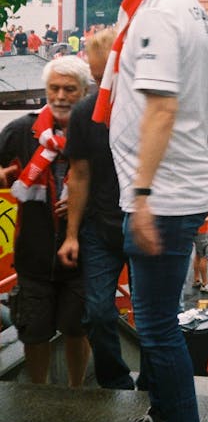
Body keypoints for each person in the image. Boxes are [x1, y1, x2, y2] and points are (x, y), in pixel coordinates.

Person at [101, 0, 208, 422]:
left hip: (163, 194)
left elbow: (162, 110)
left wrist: (141, 196)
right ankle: (167, 421)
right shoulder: (189, 7)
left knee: (156, 329)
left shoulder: (157, 14)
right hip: (176, 188)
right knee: (158, 322)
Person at [0, 55, 92, 386]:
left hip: (81, 254)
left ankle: (76, 391)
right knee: (33, 334)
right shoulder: (21, 130)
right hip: (33, 254)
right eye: (54, 88)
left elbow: (114, 185)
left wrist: (86, 202)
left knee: (76, 329)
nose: (61, 96)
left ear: (84, 91)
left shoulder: (95, 132)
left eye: (70, 89)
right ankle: (37, 395)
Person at [57, 28, 137, 389]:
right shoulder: (86, 112)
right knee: (99, 312)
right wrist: (72, 235)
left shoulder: (144, 109)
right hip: (99, 227)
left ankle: (151, 385)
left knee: (152, 317)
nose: (99, 81)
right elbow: (79, 175)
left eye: (105, 74)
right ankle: (115, 382)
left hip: (141, 222)